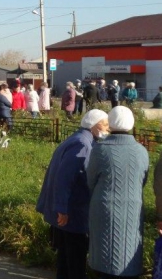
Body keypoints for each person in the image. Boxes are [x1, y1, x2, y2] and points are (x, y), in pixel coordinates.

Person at [36, 109, 109, 279]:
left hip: (69, 209)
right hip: (72, 212)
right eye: (105, 125)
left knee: (66, 257)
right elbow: (65, 177)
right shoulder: (83, 143)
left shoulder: (79, 138)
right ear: (94, 125)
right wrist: (62, 209)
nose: (108, 129)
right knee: (75, 258)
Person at [87, 106, 149, 279]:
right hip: (133, 211)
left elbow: (90, 181)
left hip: (103, 208)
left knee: (103, 256)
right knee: (129, 253)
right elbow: (142, 181)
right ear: (131, 124)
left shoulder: (100, 149)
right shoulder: (141, 151)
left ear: (111, 123)